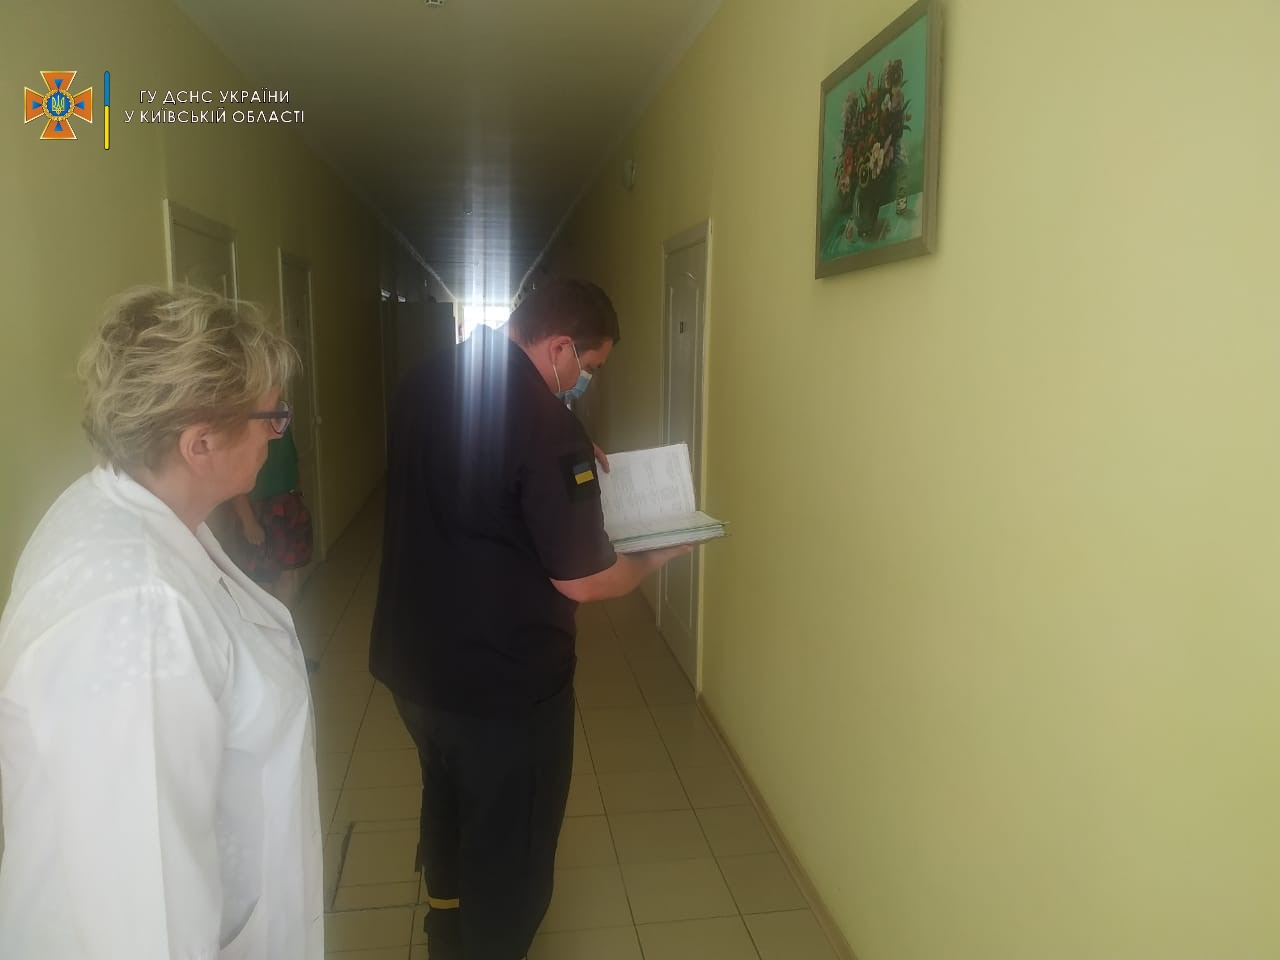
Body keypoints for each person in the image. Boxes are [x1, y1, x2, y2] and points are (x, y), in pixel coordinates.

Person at [370, 277, 690, 959]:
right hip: (501, 689)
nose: (586, 381)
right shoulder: (547, 424)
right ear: (560, 346)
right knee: (511, 848)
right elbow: (584, 579)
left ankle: (444, 931)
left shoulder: (430, 377)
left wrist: (566, 467)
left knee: (447, 798)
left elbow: (474, 480)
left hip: (413, 666)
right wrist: (653, 557)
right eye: (589, 366)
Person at [0, 287, 324, 958]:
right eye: (271, 416)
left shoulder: (125, 510)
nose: (277, 432)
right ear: (200, 443)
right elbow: (145, 916)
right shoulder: (136, 613)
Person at [229, 423, 317, 671]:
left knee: (290, 580)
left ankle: (288, 653)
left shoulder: (282, 423)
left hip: (288, 506)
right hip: (260, 512)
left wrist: (297, 495)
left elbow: (292, 462)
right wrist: (248, 522)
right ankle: (269, 661)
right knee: (262, 587)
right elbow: (235, 479)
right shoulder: (244, 427)